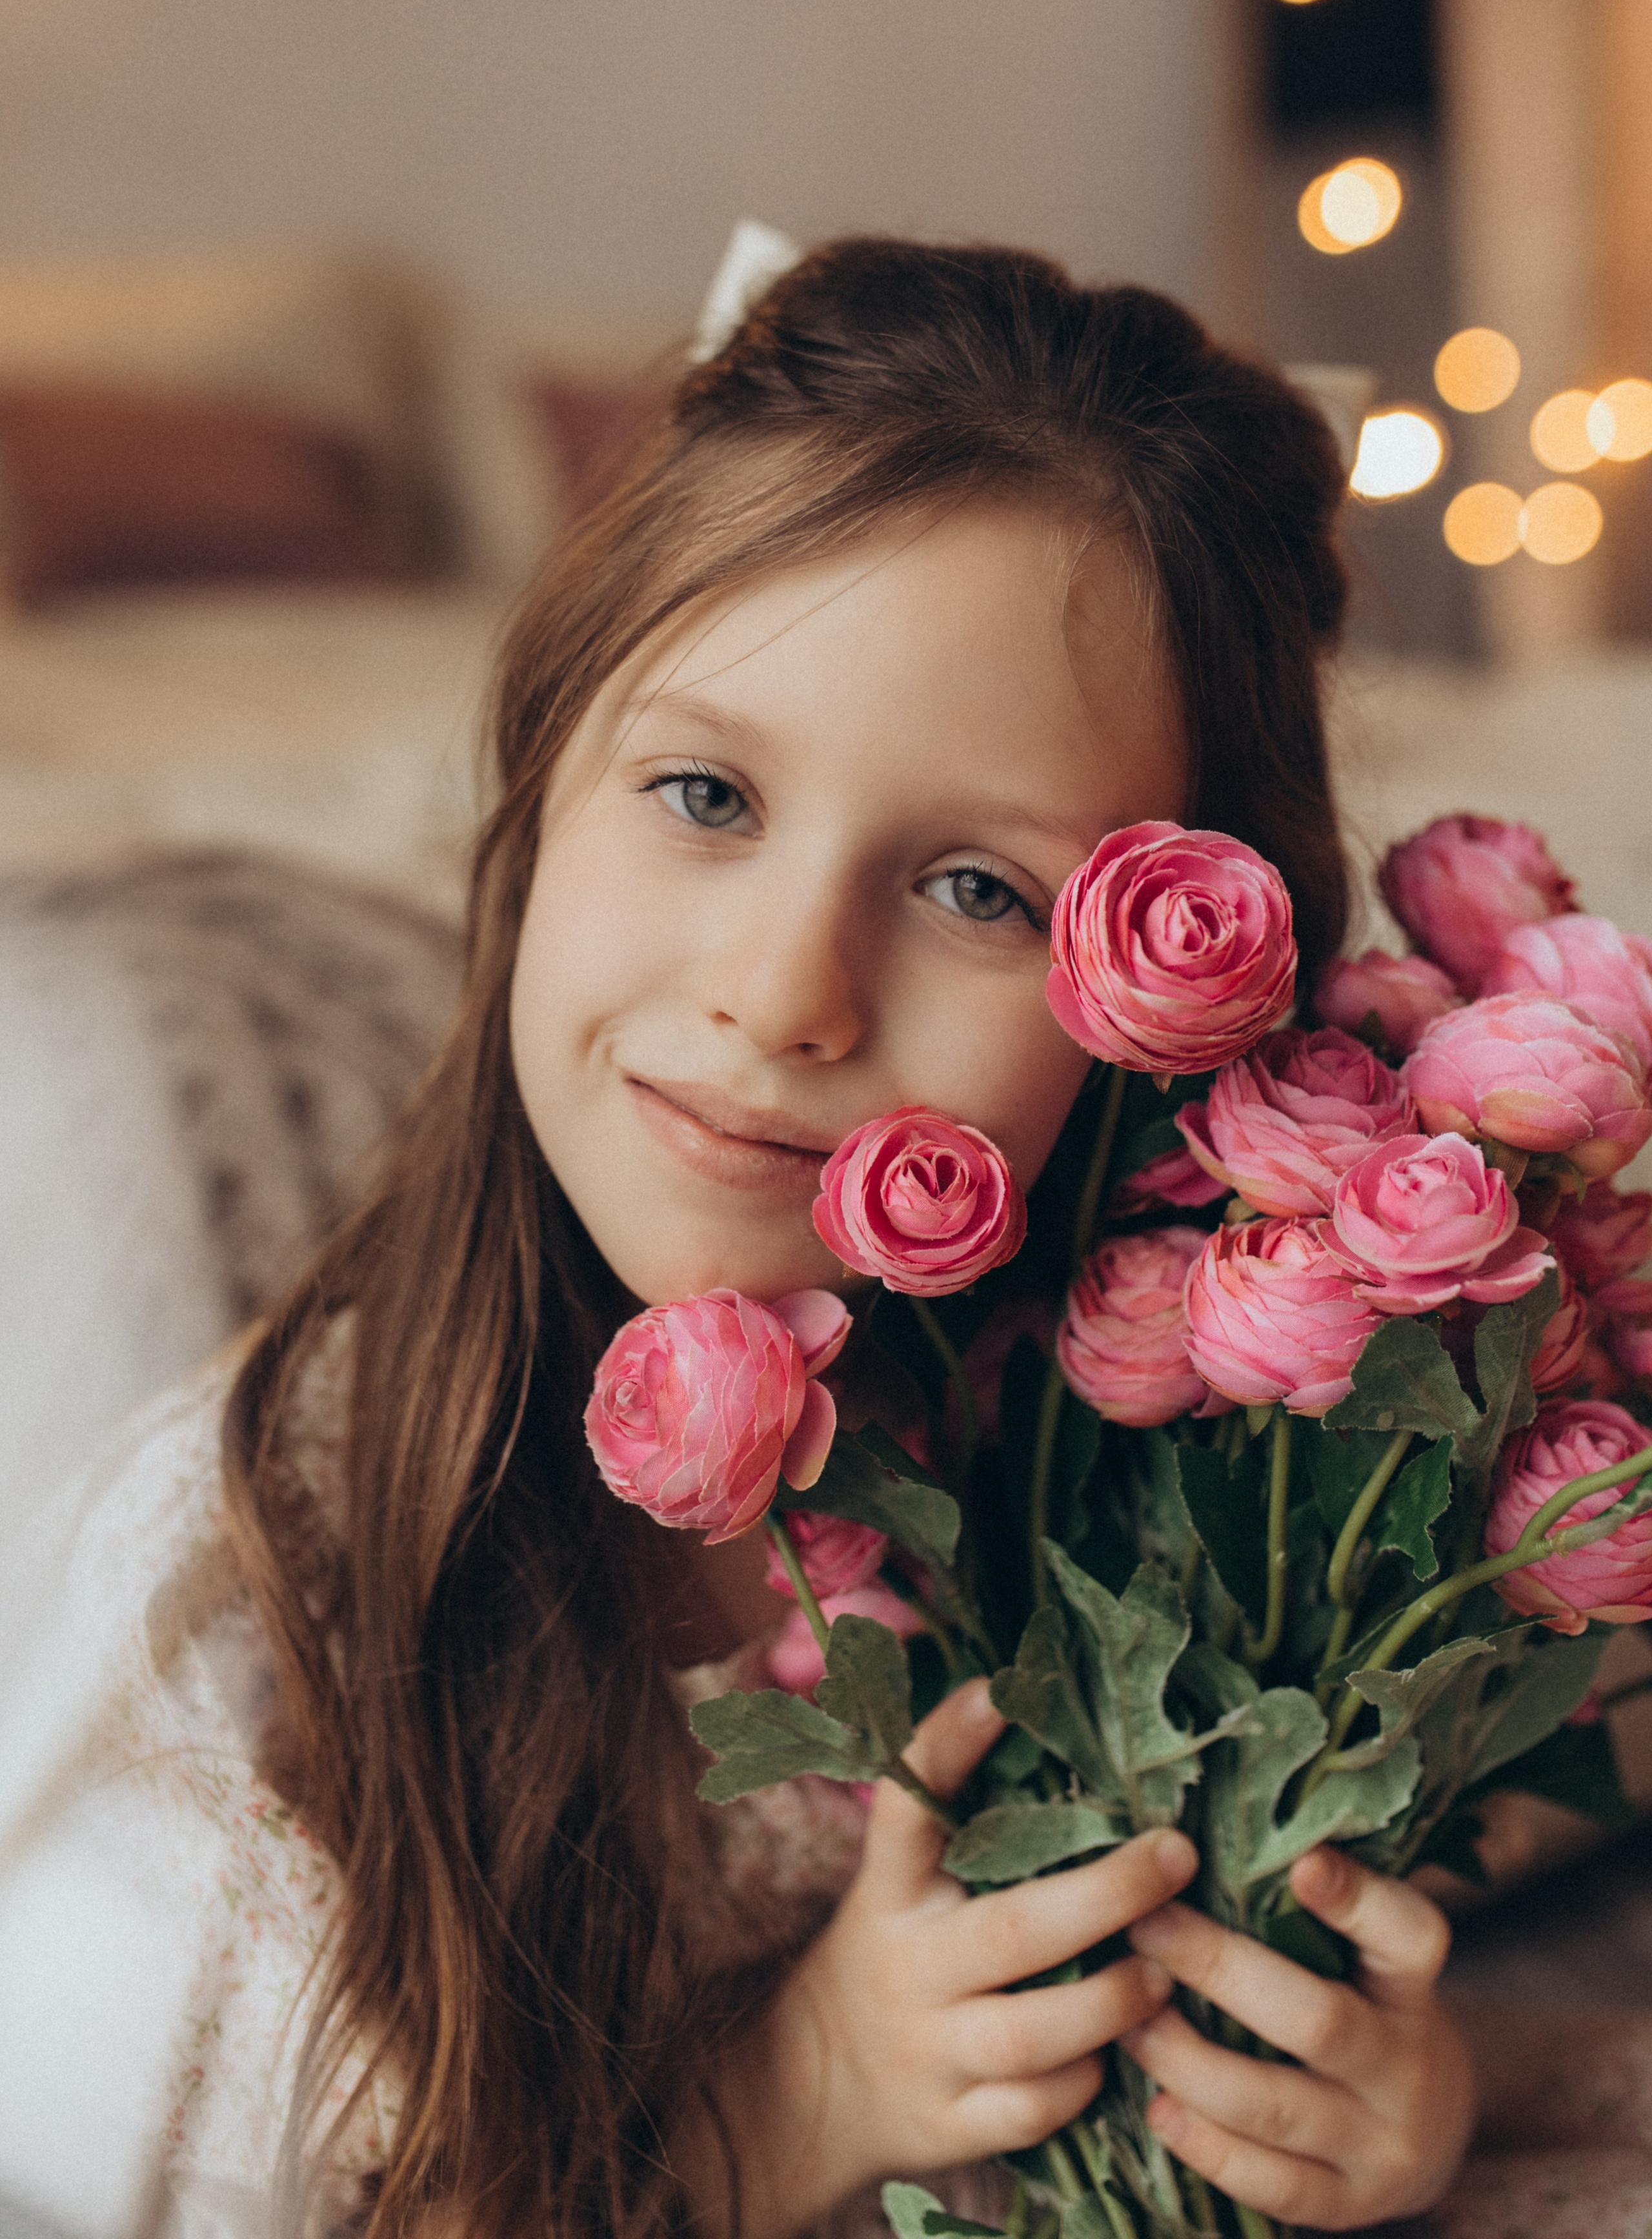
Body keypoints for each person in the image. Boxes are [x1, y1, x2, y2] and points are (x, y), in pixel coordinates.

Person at [0, 234, 1603, 2239]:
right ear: (537, 787)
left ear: (1179, 990)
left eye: (974, 889)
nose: (781, 992)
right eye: (702, 791)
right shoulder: (261, 1620)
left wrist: (1373, 2098)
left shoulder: (1204, 1442)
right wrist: (797, 2102)